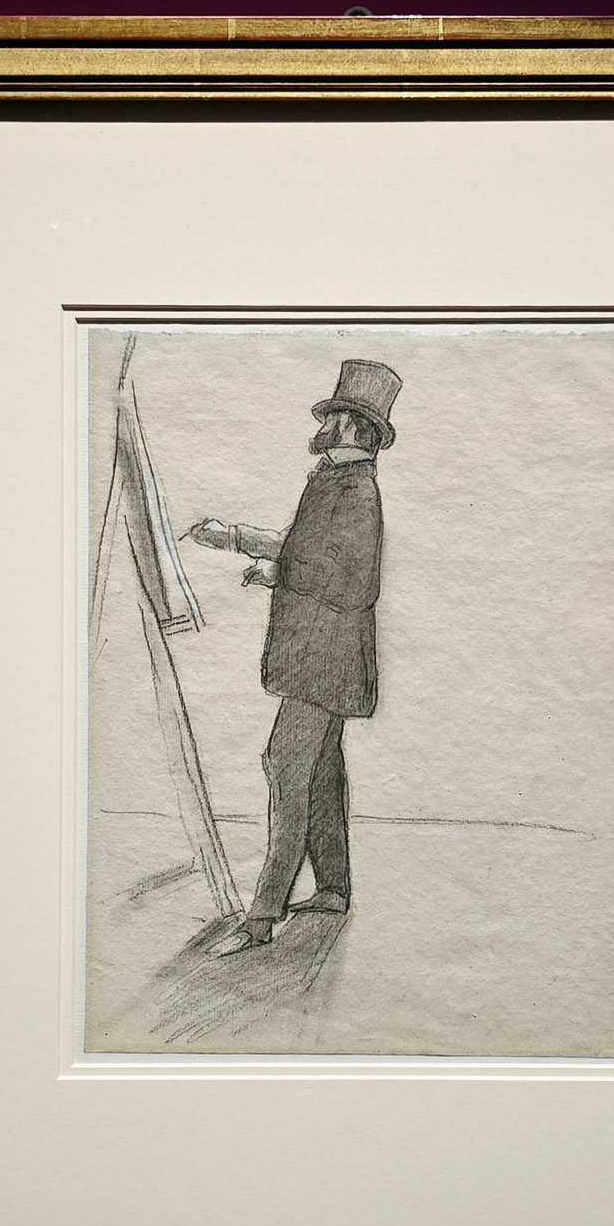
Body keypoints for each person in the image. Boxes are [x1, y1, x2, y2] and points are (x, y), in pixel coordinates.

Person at [188, 359, 402, 955]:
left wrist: (276, 572)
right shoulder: (332, 481)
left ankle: (261, 917)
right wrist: (236, 538)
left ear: (355, 428)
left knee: (285, 767)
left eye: (334, 418)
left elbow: (353, 582)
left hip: (324, 662)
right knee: (322, 772)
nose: (324, 425)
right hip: (316, 657)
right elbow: (305, 549)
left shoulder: (358, 493)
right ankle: (332, 889)